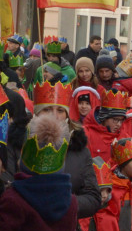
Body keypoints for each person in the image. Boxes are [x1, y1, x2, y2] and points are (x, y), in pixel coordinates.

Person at [33, 81, 102, 221]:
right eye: (47, 109)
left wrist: (65, 203)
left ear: (67, 115)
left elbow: (93, 197)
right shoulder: (20, 144)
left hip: (65, 229)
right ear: (37, 113)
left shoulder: (79, 150)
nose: (54, 115)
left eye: (60, 110)